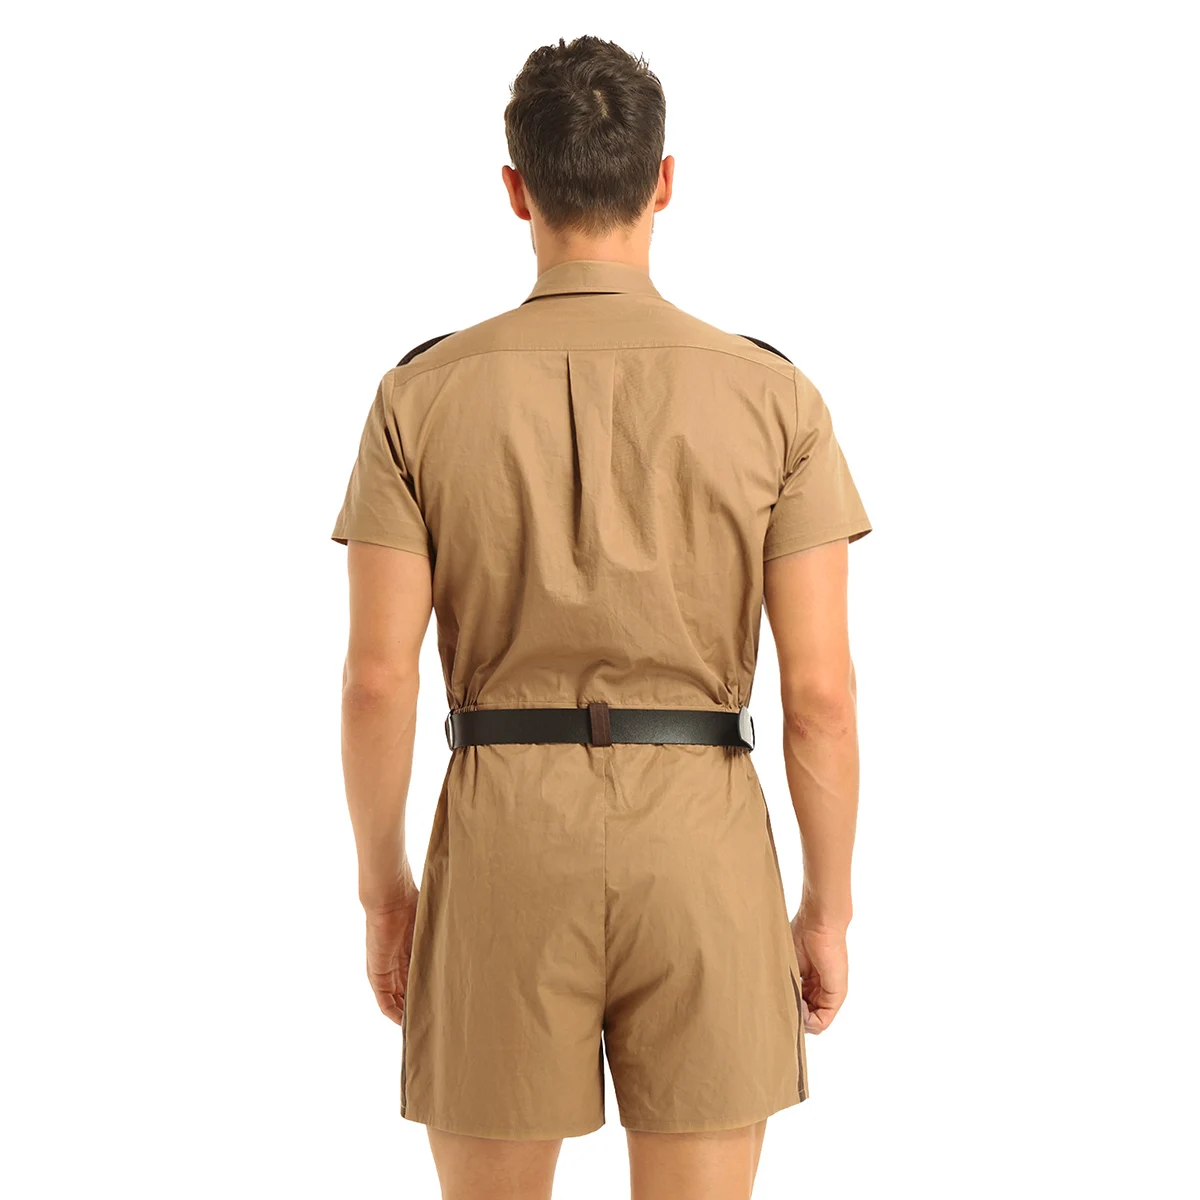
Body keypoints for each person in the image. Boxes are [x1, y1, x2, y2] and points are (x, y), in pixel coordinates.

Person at [331, 34, 871, 1200]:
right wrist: (826, 909)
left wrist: (386, 892)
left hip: (502, 840)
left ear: (516, 189)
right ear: (662, 182)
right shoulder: (776, 398)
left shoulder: (418, 396)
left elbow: (378, 680)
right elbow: (821, 696)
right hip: (703, 844)